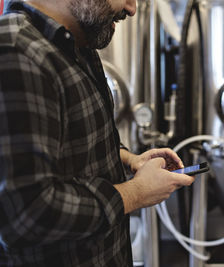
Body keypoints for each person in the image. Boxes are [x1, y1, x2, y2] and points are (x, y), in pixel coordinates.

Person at [0, 0, 195, 266]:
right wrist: (135, 193)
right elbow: (26, 213)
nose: (132, 8)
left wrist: (129, 160)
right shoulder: (16, 51)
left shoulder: (77, 44)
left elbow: (74, 140)